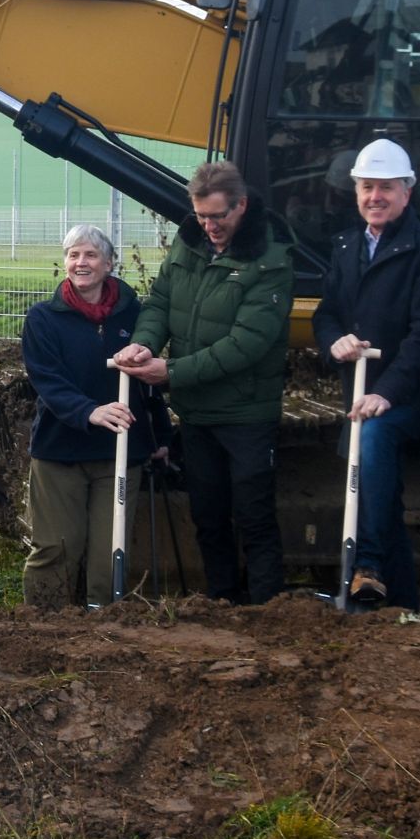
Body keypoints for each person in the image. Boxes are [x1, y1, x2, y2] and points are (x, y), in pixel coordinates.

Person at [114, 159, 297, 604]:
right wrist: (144, 343)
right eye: (202, 216)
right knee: (208, 515)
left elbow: (246, 344)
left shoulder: (270, 259)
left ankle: (267, 609)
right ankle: (221, 602)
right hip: (197, 412)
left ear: (242, 206)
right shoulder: (189, 241)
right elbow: (160, 302)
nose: (210, 226)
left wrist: (172, 373)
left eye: (219, 216)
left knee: (253, 514)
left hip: (246, 412)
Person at [312, 137, 420, 609]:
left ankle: (368, 564)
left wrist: (388, 393)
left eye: (386, 188)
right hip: (361, 388)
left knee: (372, 441)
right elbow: (327, 312)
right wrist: (334, 340)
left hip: (412, 390)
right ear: (355, 192)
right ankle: (402, 605)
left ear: (407, 192)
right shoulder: (347, 245)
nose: (375, 196)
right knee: (380, 494)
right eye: (367, 187)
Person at [19, 223, 172, 608]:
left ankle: (104, 627)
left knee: (112, 550)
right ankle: (43, 624)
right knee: (56, 547)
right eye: (73, 254)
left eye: (89, 255)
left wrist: (160, 438)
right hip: (60, 451)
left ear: (109, 263)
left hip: (120, 451)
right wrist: (89, 411)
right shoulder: (43, 318)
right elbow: (47, 381)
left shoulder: (135, 315)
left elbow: (147, 385)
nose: (80, 262)